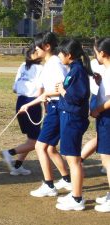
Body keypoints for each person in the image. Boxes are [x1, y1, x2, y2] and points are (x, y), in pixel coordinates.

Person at [19, 32, 71, 197]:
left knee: (40, 146)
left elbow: (62, 88)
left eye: (37, 45)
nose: (35, 49)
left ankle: (49, 185)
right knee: (49, 148)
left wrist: (35, 101)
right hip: (53, 107)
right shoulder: (48, 63)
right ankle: (67, 180)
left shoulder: (54, 63)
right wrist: (36, 102)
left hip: (57, 108)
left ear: (47, 46)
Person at [54, 39, 91, 211]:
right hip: (68, 116)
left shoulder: (78, 71)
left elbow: (78, 97)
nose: (59, 56)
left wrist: (62, 91)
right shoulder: (74, 70)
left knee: (73, 160)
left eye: (61, 53)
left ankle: (77, 199)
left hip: (73, 118)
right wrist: (63, 89)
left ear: (69, 55)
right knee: (73, 159)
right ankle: (75, 193)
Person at [1, 43, 43, 176]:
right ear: (32, 54)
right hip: (32, 104)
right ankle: (9, 153)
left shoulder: (22, 66)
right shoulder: (40, 68)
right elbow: (40, 91)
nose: (40, 52)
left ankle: (18, 166)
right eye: (37, 51)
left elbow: (14, 88)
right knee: (37, 141)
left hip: (20, 102)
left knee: (31, 139)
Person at [90, 37, 110, 212]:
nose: (95, 55)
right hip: (106, 116)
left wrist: (98, 110)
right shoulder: (106, 71)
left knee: (107, 159)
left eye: (96, 52)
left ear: (102, 53)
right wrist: (99, 83)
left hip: (108, 116)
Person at [80, 58, 106, 174]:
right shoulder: (99, 62)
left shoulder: (94, 62)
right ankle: (79, 159)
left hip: (98, 98)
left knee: (101, 137)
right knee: (101, 137)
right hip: (101, 99)